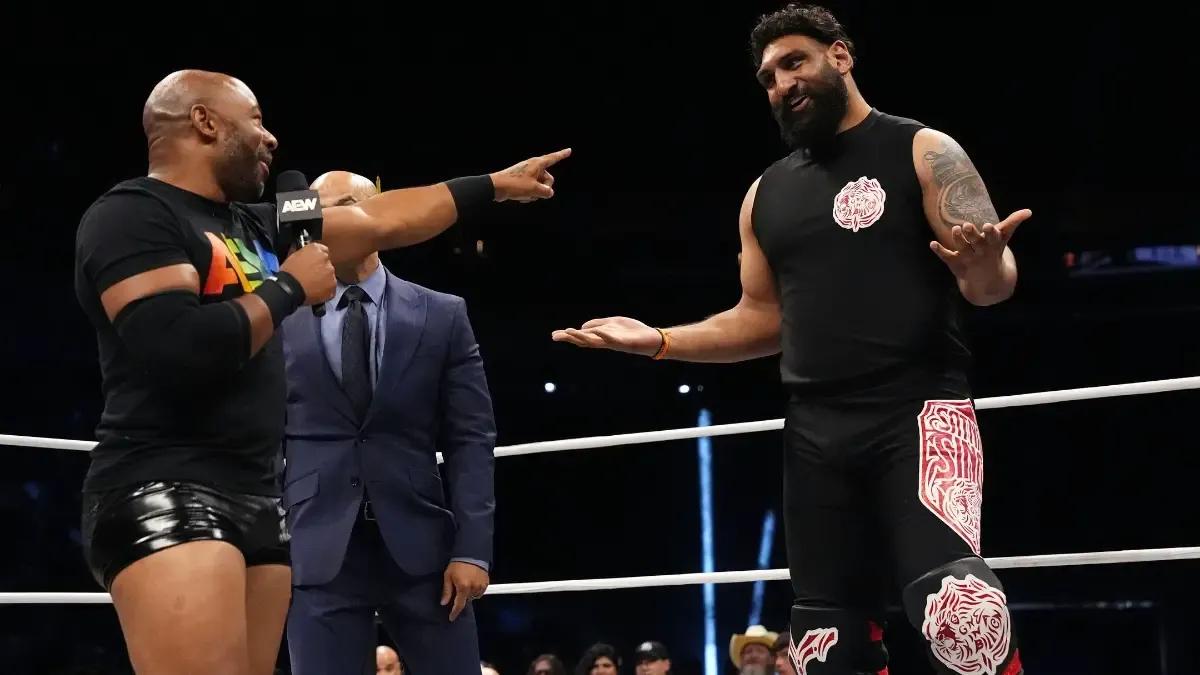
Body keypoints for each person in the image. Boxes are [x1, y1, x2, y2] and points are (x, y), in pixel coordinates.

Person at [552, 5, 1027, 675]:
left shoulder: (923, 150)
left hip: (919, 411)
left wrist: (984, 265)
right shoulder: (765, 195)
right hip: (814, 430)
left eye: (794, 62)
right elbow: (762, 321)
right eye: (768, 77)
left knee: (958, 612)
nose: (781, 83)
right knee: (824, 641)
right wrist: (657, 339)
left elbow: (990, 284)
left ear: (841, 55)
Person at [74, 69, 568, 675]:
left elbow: (382, 221)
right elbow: (177, 346)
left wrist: (490, 186)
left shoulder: (255, 223)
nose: (271, 137)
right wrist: (287, 288)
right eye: (256, 119)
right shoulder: (134, 214)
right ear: (204, 122)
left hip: (257, 498)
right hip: (168, 483)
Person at [282, 171, 496, 673]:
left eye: (342, 206)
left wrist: (473, 550)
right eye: (319, 211)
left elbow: (470, 438)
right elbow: (261, 433)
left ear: (381, 214)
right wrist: (267, 543)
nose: (329, 222)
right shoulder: (279, 315)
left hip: (424, 550)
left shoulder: (442, 314)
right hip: (316, 548)